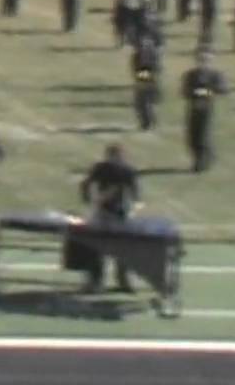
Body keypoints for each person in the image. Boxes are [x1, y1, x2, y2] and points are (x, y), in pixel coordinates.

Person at [78, 144, 139, 293]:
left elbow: (135, 194)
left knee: (112, 248)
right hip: (110, 212)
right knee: (106, 247)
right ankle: (108, 281)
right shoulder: (111, 169)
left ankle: (108, 281)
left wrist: (89, 200)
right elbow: (86, 184)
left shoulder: (118, 170)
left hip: (115, 213)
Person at [182, 49, 227, 172]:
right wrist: (197, 93)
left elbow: (222, 89)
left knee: (203, 136)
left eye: (206, 60)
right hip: (193, 107)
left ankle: (200, 163)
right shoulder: (190, 74)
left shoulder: (216, 75)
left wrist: (205, 92)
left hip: (207, 108)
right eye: (200, 60)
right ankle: (206, 156)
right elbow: (184, 91)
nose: (203, 62)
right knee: (192, 136)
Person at [131, 34, 162, 131]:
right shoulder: (137, 56)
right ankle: (146, 122)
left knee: (147, 103)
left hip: (150, 82)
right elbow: (135, 69)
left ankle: (148, 123)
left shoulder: (153, 56)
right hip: (141, 81)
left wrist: (145, 78)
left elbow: (155, 69)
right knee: (139, 104)